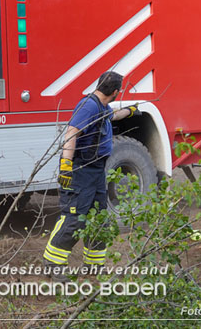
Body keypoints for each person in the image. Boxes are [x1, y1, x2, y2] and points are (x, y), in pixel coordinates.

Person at [42, 71, 140, 280]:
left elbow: (112, 115)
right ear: (115, 92)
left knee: (99, 217)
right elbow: (71, 133)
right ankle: (52, 263)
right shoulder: (89, 106)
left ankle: (94, 265)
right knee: (75, 218)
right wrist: (66, 166)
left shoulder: (101, 106)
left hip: (96, 171)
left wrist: (130, 111)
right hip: (81, 171)